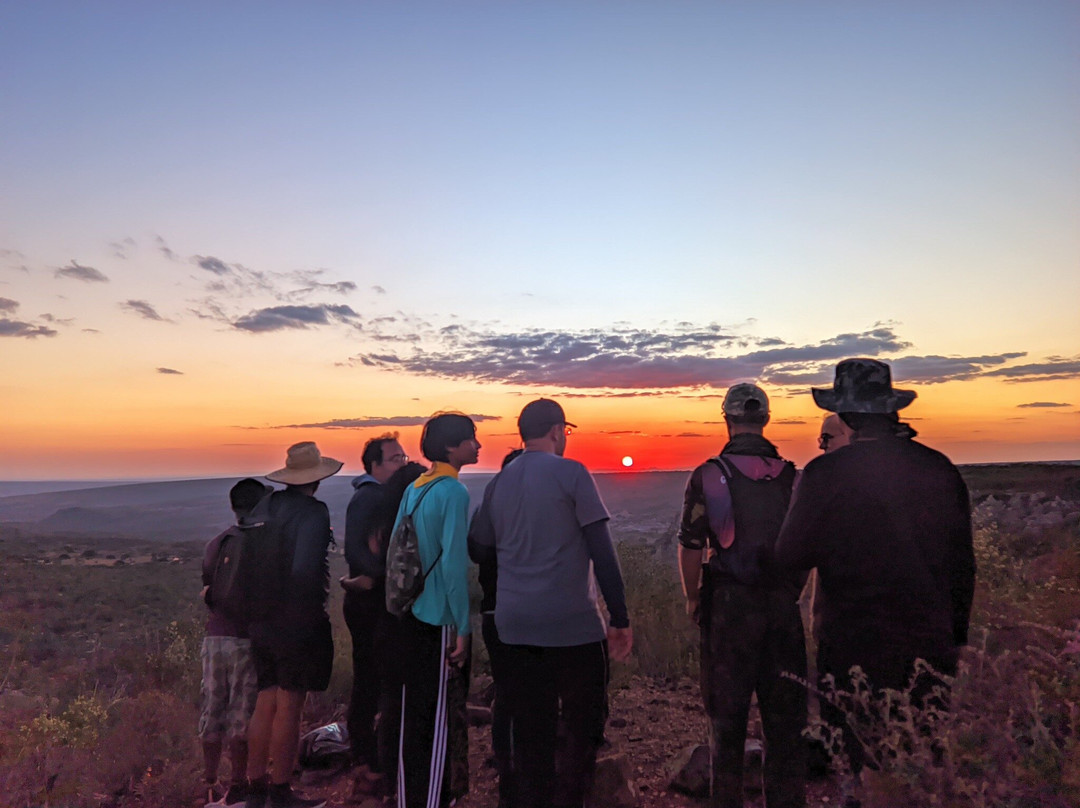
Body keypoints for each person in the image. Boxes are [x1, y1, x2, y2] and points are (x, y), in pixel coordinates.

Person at [775, 359, 975, 778]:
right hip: (929, 646)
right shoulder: (939, 469)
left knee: (858, 765)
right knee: (921, 764)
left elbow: (790, 555)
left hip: (853, 649)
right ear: (891, 410)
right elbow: (963, 566)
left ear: (846, 415)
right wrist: (954, 639)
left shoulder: (825, 474)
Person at [470, 398, 633, 808]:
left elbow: (479, 544)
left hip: (515, 626)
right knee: (583, 733)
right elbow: (603, 550)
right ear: (559, 430)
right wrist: (620, 615)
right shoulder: (572, 473)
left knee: (531, 736)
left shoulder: (499, 482)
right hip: (573, 626)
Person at [677, 383, 807, 808]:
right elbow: (808, 546)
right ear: (766, 420)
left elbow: (691, 544)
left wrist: (693, 598)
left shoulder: (708, 475)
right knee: (785, 723)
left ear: (727, 420)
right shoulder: (793, 476)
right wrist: (793, 592)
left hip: (729, 610)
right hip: (782, 610)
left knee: (726, 720)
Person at [245, 442, 342, 808]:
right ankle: (280, 791)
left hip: (259, 619)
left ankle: (255, 788)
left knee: (265, 698)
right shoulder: (314, 512)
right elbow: (304, 570)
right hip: (295, 621)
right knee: (290, 703)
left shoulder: (265, 505)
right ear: (316, 477)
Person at [393, 413, 479, 808]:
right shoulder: (454, 493)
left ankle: (408, 796)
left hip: (410, 614)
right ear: (451, 447)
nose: (478, 446)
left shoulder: (415, 488)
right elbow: (452, 566)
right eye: (471, 440)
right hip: (439, 617)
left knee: (416, 716)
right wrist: (463, 625)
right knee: (440, 722)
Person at [340, 433, 408, 797]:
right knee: (369, 679)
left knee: (377, 678)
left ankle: (373, 759)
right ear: (375, 466)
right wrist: (380, 577)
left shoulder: (382, 496)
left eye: (403, 457)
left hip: (375, 598)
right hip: (368, 604)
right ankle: (365, 762)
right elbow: (354, 546)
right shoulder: (368, 496)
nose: (401, 463)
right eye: (395, 458)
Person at [198, 478, 269, 808]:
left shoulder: (217, 543)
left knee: (213, 709)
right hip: (246, 640)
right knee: (242, 715)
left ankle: (209, 784)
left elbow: (208, 591)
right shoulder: (263, 543)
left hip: (215, 639)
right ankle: (237, 787)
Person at [467, 447, 523, 808]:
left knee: (507, 694)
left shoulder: (486, 509)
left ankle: (508, 775)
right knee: (529, 695)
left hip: (494, 613)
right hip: (525, 615)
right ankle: (520, 775)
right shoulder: (535, 511)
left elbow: (476, 551)